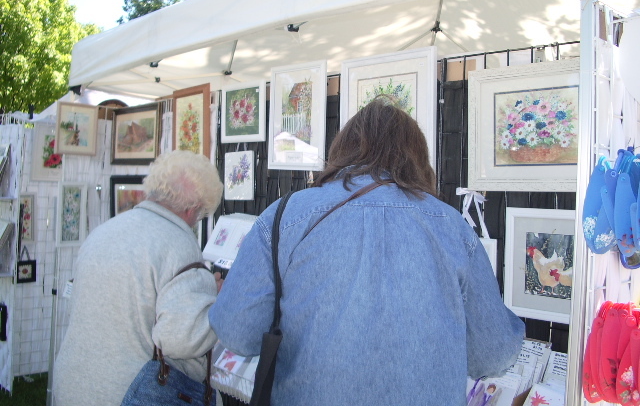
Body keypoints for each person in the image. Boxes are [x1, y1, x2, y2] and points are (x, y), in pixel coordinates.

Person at [209, 96, 525, 405]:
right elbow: (493, 353)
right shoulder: (452, 226)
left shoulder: (285, 217)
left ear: (341, 150)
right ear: (416, 156)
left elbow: (237, 333)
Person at [53, 150, 224, 406]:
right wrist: (217, 303)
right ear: (193, 208)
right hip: (129, 394)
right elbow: (181, 341)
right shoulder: (179, 245)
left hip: (72, 384)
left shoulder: (104, 231)